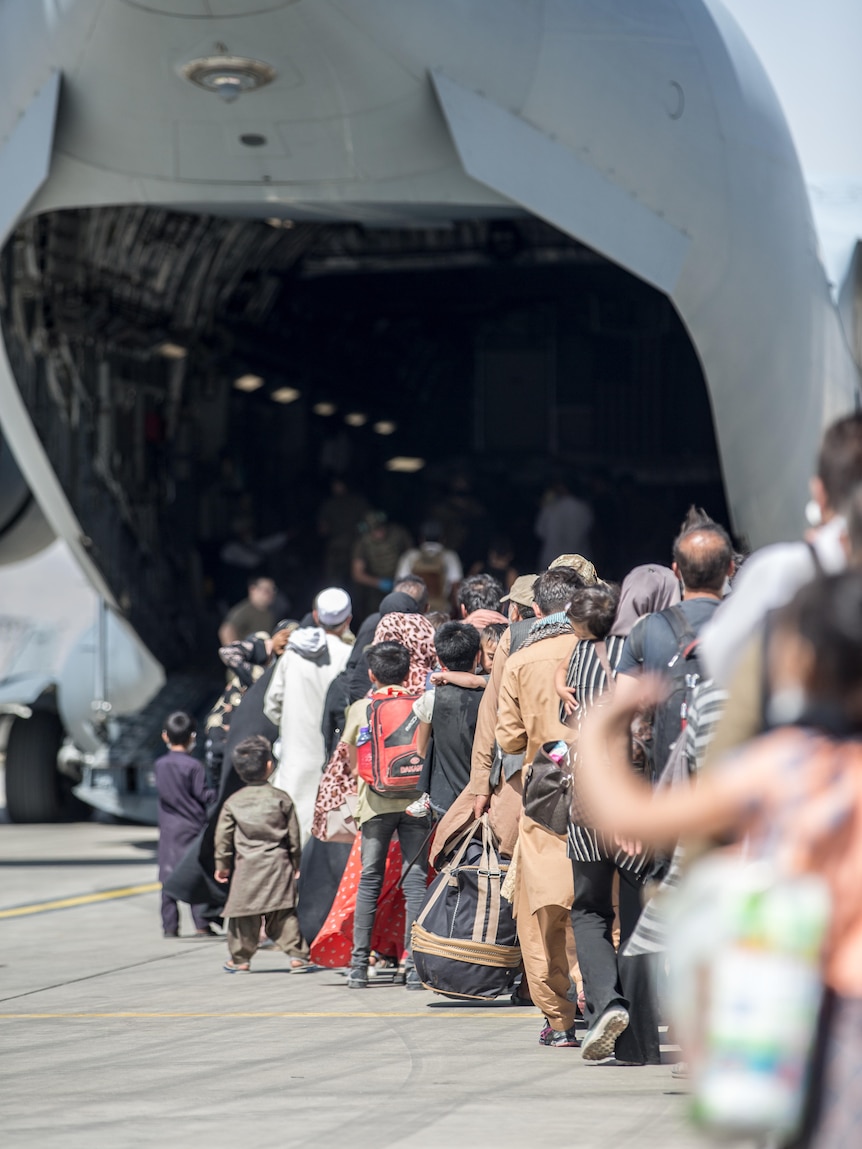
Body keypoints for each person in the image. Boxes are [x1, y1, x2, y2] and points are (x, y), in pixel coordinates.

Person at [579, 571, 862, 1146]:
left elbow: (625, 816)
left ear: (802, 666)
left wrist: (601, 726)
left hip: (817, 1018)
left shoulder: (788, 766)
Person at [496, 567, 586, 1047]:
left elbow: (509, 737)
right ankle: (605, 992)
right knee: (600, 904)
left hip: (546, 795)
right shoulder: (602, 652)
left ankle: (559, 1020)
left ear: (535, 611)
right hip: (604, 793)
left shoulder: (520, 660)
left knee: (542, 912)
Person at [613, 510, 734, 779]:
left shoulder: (647, 629)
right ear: (730, 568)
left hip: (671, 785)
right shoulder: (753, 623)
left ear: (676, 570)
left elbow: (621, 712)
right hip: (738, 790)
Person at [343, 642, 432, 990]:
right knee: (415, 881)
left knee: (370, 880)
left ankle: (358, 966)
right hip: (415, 803)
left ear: (371, 674)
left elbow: (353, 764)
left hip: (375, 804)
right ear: (408, 672)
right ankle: (413, 966)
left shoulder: (361, 708)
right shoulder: (419, 703)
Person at [263, 587, 353, 842]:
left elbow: (271, 703)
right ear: (348, 620)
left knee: (290, 832)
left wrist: (291, 724)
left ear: (315, 615)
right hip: (332, 758)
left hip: (294, 756)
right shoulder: (348, 657)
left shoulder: (292, 655)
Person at [214, 735, 309, 973]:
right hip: (278, 864)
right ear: (269, 765)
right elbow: (294, 837)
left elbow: (223, 839)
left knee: (243, 915)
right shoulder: (281, 798)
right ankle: (297, 956)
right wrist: (295, 861)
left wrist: (222, 865)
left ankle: (240, 959)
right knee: (284, 913)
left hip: (247, 867)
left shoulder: (233, 802)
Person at [155, 711, 216, 938]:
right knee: (194, 874)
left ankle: (170, 927)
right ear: (192, 736)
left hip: (169, 828)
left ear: (165, 736)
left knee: (167, 877)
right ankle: (201, 924)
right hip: (192, 827)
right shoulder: (194, 766)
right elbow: (203, 795)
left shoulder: (160, 765)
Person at [413, 621, 483, 816]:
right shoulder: (491, 694)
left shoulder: (432, 698)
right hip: (483, 795)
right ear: (478, 656)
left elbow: (421, 749)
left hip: (444, 797)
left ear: (440, 661)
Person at [351, 511, 413, 622]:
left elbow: (412, 557)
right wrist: (379, 583)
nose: (379, 533)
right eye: (374, 531)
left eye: (380, 528)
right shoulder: (363, 543)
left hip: (401, 582)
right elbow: (357, 574)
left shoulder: (398, 533)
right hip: (376, 587)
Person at [395, 521, 462, 613]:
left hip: (415, 610)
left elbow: (400, 586)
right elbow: (456, 586)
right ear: (443, 539)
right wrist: (457, 610)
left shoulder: (410, 556)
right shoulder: (450, 556)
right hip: (441, 611)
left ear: (421, 539)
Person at [318, 477, 370, 586]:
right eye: (335, 486)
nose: (336, 488)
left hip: (355, 546)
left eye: (339, 485)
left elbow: (367, 523)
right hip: (337, 548)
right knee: (334, 579)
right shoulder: (330, 504)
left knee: (357, 578)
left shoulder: (357, 502)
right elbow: (323, 529)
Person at [535, 480, 593, 571]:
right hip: (579, 563)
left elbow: (540, 531)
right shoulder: (584, 508)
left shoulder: (550, 507)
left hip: (552, 560)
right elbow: (590, 531)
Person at [219, 576, 278, 646]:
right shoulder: (245, 610)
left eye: (273, 589)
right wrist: (235, 652)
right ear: (253, 590)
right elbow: (226, 630)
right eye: (266, 590)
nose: (271, 593)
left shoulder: (269, 612)